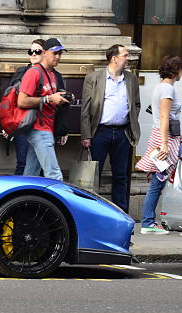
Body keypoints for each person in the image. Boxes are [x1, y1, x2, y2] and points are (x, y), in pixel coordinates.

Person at [80, 44, 140, 212]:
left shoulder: (131, 79)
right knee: (93, 176)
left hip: (123, 134)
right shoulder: (94, 78)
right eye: (125, 55)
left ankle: (121, 214)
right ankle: (92, 212)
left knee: (121, 176)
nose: (128, 58)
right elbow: (85, 109)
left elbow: (136, 104)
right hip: (99, 132)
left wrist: (130, 124)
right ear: (114, 58)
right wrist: (86, 135)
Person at [135, 55, 182, 235]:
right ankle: (148, 222)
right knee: (157, 183)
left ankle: (149, 221)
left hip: (165, 138)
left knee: (158, 182)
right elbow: (164, 117)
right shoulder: (167, 90)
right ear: (176, 70)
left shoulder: (162, 87)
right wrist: (164, 144)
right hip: (166, 139)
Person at [17, 37, 71, 180]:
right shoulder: (34, 72)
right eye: (55, 53)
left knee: (30, 176)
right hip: (39, 129)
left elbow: (48, 100)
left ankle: (24, 200)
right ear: (45, 53)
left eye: (60, 53)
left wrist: (58, 98)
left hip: (46, 128)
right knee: (54, 175)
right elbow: (21, 101)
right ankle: (64, 203)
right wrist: (49, 98)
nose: (58, 57)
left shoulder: (52, 75)